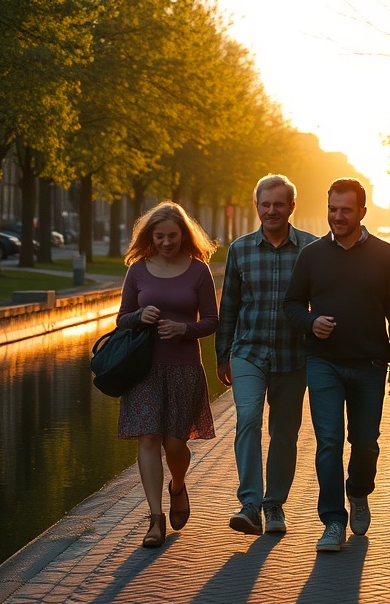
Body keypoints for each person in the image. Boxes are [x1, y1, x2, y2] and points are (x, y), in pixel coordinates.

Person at [283, 178, 390, 553]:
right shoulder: (312, 255)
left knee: (366, 443)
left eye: (346, 210)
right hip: (324, 363)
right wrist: (310, 322)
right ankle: (333, 521)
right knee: (329, 443)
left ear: (362, 213)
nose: (337, 216)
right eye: (332, 209)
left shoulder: (385, 255)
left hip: (371, 364)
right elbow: (291, 304)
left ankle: (359, 491)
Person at [216, 174, 319, 536]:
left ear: (292, 207)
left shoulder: (312, 249)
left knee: (285, 432)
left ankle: (274, 506)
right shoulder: (240, 250)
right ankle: (249, 504)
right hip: (248, 351)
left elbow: (320, 304)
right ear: (256, 206)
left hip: (295, 356)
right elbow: (228, 304)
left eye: (279, 204)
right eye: (265, 204)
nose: (271, 210)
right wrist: (222, 355)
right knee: (247, 420)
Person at [115, 201, 220, 548]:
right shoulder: (138, 270)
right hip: (144, 368)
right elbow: (122, 318)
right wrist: (139, 315)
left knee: (176, 443)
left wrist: (184, 329)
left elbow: (211, 321)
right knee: (148, 439)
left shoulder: (198, 271)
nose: (165, 242)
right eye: (158, 236)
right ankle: (154, 519)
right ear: (150, 236)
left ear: (183, 235)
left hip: (184, 368)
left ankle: (178, 485)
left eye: (172, 235)